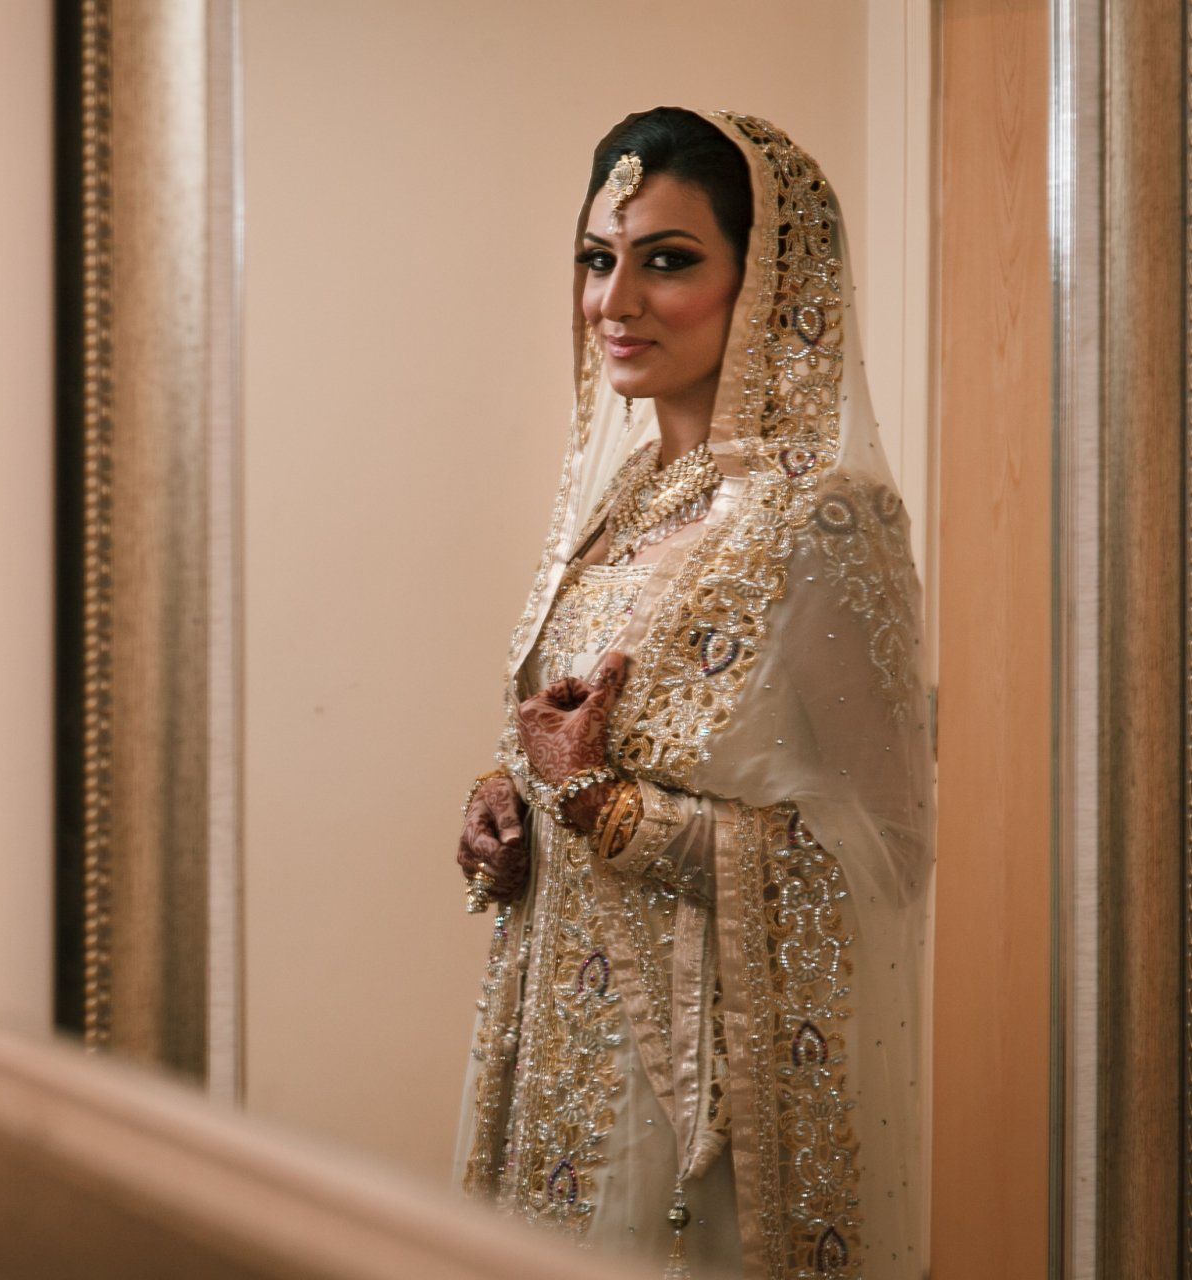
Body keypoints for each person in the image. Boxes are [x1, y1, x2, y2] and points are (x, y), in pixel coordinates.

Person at [451, 107, 934, 1280]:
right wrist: (507, 801)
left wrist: (609, 811)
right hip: (554, 1063)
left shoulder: (822, 516)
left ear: (769, 278)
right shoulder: (628, 498)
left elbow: (890, 847)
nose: (616, 299)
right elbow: (574, 751)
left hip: (700, 1111)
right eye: (596, 258)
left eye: (668, 260)